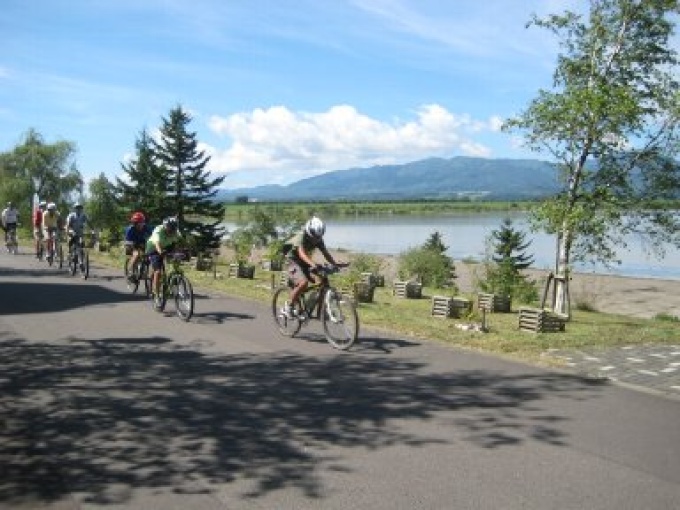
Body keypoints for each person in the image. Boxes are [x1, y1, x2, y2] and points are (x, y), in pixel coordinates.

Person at [281, 216, 343, 318]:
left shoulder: (318, 239)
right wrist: (313, 264)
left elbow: (326, 253)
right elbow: (301, 253)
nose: (315, 240)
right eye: (313, 236)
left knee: (321, 279)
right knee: (303, 283)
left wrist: (335, 264)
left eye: (318, 237)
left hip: (304, 260)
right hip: (291, 260)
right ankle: (288, 307)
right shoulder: (301, 236)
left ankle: (314, 309)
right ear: (309, 231)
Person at [145, 217, 181, 299]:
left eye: (174, 228)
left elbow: (180, 242)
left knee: (175, 261)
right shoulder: (158, 230)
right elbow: (157, 244)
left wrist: (185, 251)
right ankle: (156, 292)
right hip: (153, 248)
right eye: (170, 228)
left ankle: (173, 279)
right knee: (158, 271)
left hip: (167, 246)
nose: (171, 230)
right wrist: (161, 253)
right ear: (165, 226)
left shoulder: (176, 231)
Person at [124, 211, 152, 283]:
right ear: (134, 223)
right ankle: (130, 272)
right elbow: (128, 243)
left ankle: (143, 270)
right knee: (136, 255)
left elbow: (152, 236)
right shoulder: (130, 229)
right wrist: (134, 249)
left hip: (142, 243)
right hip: (131, 243)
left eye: (142, 222)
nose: (140, 225)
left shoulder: (146, 227)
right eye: (138, 223)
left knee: (149, 255)